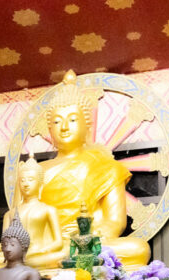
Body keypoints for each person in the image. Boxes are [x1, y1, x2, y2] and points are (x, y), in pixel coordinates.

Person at [38, 70, 151, 267]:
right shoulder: (35, 171)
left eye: (72, 120)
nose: (64, 127)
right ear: (49, 128)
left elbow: (115, 223)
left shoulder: (106, 167)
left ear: (87, 125)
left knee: (138, 248)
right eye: (56, 121)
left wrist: (90, 237)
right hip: (45, 247)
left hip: (85, 243)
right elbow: (20, 224)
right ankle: (54, 259)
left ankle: (56, 260)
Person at [0, 158, 67, 272]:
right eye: (22, 180)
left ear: (40, 184)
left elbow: (58, 242)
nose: (26, 184)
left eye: (30, 180)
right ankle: (18, 264)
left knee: (64, 254)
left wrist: (38, 252)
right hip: (14, 254)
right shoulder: (9, 214)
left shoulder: (48, 210)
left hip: (37, 254)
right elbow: (4, 243)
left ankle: (15, 264)